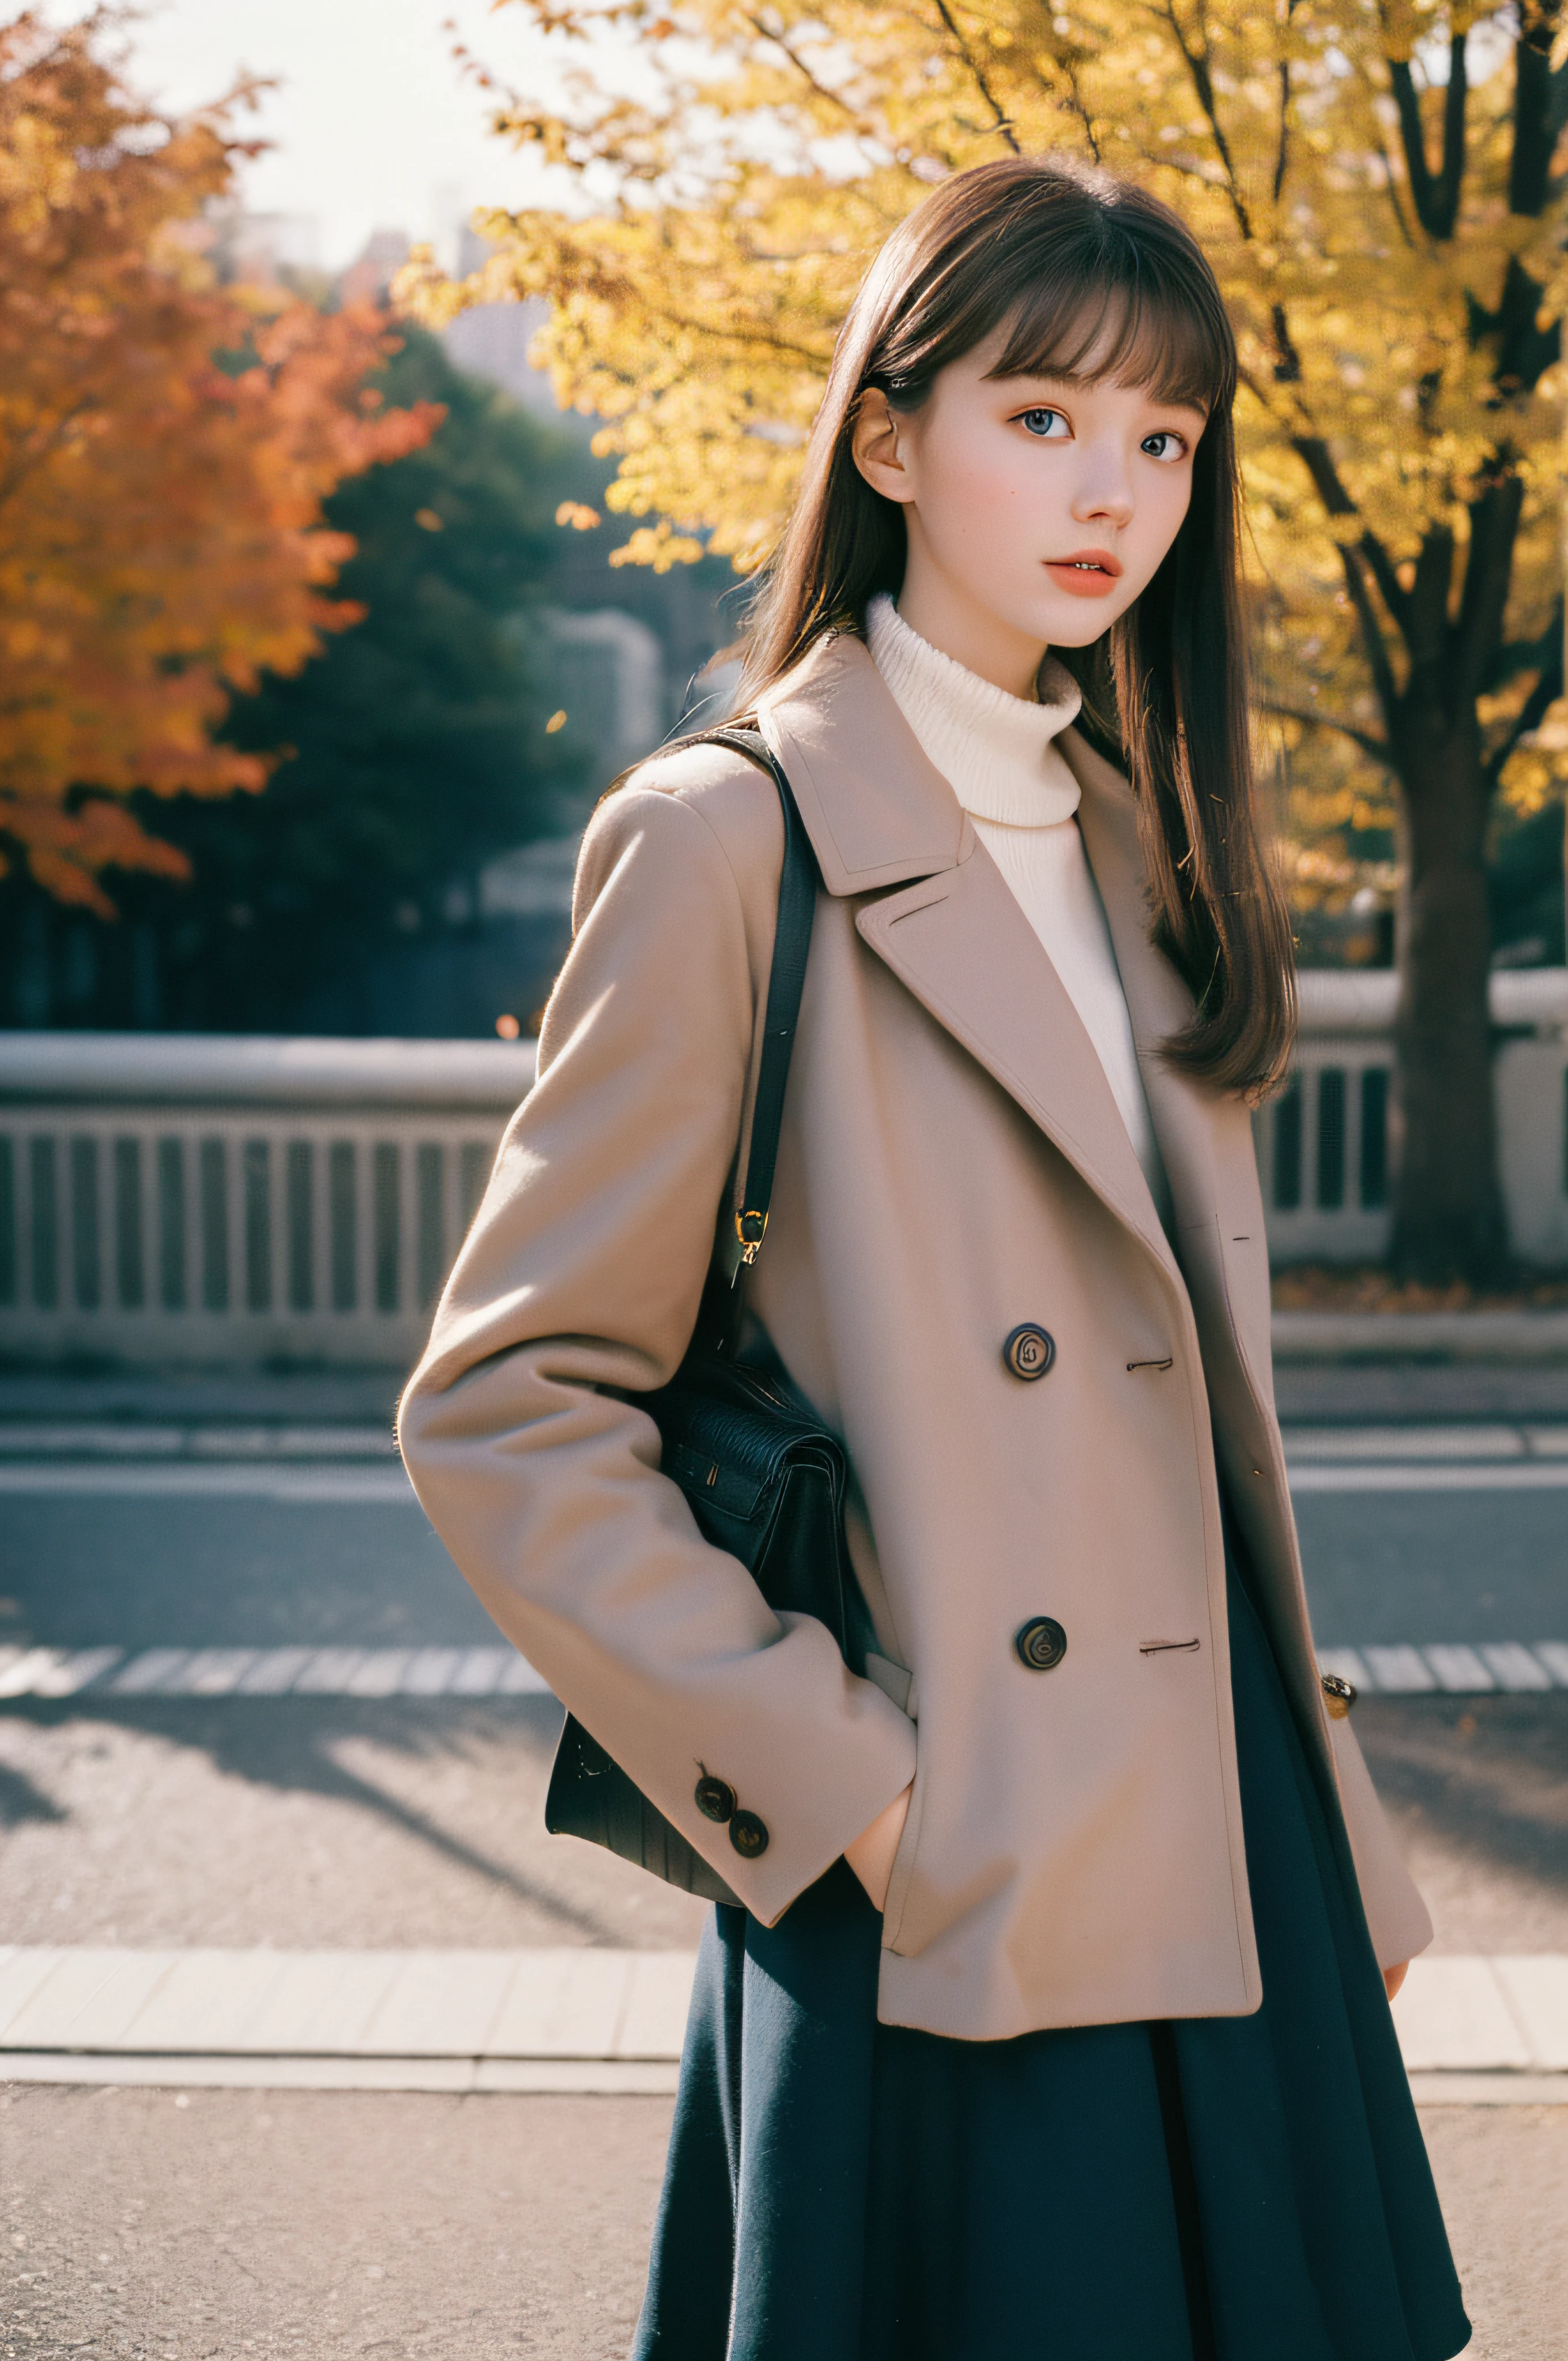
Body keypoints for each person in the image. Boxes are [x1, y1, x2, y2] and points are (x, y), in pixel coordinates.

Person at [398, 156, 1470, 2361]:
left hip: (1217, 1816)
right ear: (888, 440)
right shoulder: (731, 838)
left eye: (1166, 439)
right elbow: (507, 1409)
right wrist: (858, 1788)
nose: (1117, 491)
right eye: (1044, 416)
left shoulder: (1138, 841)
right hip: (954, 1862)